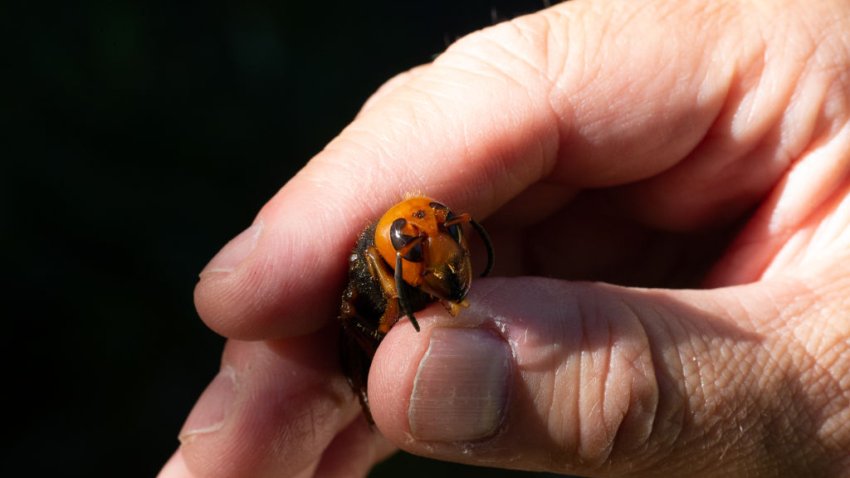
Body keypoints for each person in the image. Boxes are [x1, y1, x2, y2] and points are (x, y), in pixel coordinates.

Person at [159, 0, 850, 476]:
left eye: (440, 229)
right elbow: (392, 289)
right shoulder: (393, 261)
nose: (436, 235)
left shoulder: (431, 234)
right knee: (370, 336)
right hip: (369, 320)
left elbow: (444, 259)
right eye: (426, 235)